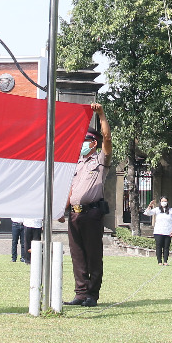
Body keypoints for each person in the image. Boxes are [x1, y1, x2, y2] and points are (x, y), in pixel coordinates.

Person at [61, 103, 111, 307]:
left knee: (93, 254)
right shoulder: (77, 163)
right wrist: (62, 209)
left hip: (92, 213)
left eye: (85, 140)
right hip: (75, 214)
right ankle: (80, 292)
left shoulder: (100, 161)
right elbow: (71, 189)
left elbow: (107, 139)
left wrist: (101, 115)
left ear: (93, 143)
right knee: (77, 254)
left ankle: (92, 294)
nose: (81, 143)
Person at [146, 197, 172, 266]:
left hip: (167, 231)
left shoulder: (170, 210)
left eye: (165, 201)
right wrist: (150, 206)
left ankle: (165, 261)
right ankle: (159, 261)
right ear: (160, 202)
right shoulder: (157, 210)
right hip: (158, 231)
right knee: (159, 246)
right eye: (162, 201)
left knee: (166, 247)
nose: (164, 202)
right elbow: (147, 213)